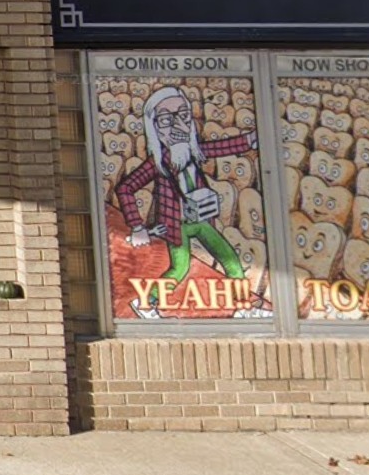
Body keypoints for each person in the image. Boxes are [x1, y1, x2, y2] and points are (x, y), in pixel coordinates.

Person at [113, 85, 270, 319]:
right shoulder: (158, 162)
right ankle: (146, 303)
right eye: (166, 120)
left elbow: (219, 147)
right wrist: (137, 226)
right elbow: (125, 188)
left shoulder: (193, 151)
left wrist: (249, 140)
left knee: (230, 259)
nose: (178, 125)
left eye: (183, 116)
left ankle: (244, 306)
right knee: (180, 268)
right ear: (154, 127)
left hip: (200, 219)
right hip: (176, 225)